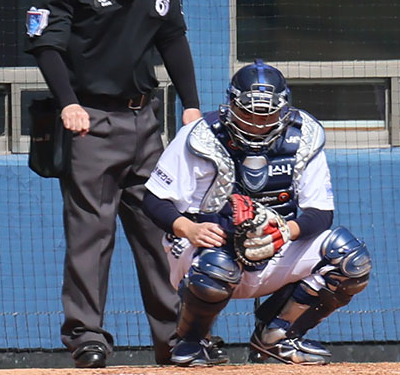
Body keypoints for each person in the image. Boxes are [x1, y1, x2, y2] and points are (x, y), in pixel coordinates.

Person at [24, 0, 205, 368]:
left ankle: (178, 338)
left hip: (144, 120)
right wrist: (67, 102)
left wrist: (190, 103)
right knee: (91, 233)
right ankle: (86, 335)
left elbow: (172, 36)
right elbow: (46, 44)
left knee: (162, 230)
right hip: (91, 121)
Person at [142, 59, 372, 366]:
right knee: (216, 268)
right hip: (207, 246)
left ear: (283, 109)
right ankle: (193, 342)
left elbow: (321, 212)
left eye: (267, 116)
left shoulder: (303, 136)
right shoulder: (201, 136)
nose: (257, 124)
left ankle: (277, 337)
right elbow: (154, 199)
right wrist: (187, 228)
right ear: (231, 106)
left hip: (275, 246)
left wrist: (283, 231)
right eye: (248, 114)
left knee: (350, 259)